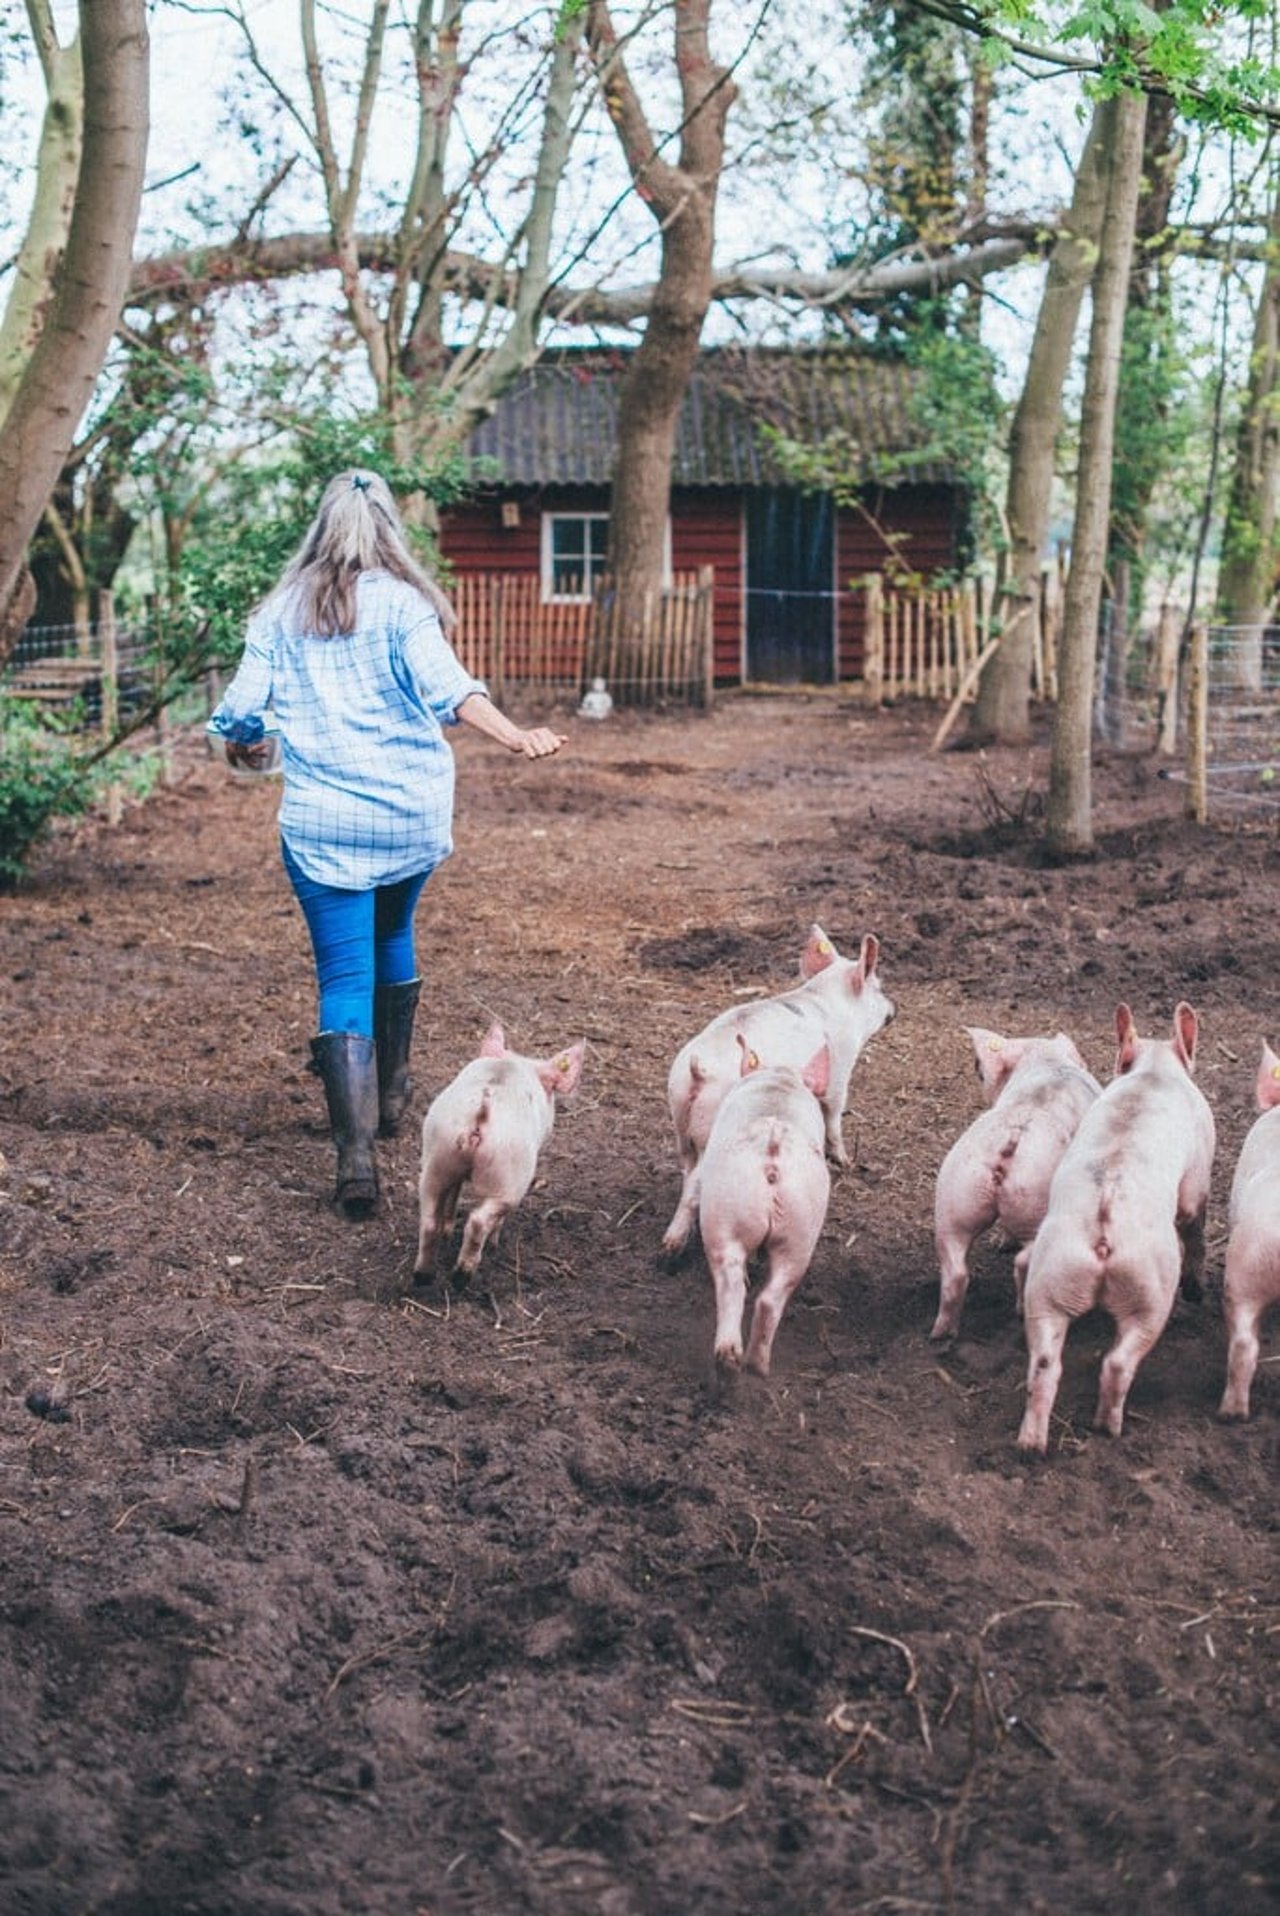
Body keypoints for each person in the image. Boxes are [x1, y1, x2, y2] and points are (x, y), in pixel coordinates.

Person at [208, 468, 566, 1220]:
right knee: (394, 930)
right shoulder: (405, 605)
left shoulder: (279, 612)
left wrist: (247, 741)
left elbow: (240, 711)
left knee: (344, 972)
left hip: (323, 820)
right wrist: (517, 736)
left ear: (319, 525)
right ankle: (395, 1094)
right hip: (409, 811)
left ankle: (356, 1156)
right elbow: (453, 692)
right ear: (388, 532)